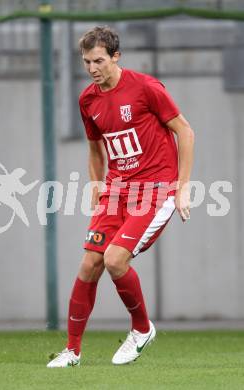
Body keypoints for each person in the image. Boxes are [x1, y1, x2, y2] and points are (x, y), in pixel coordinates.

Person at [47, 26, 194, 368]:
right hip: (117, 189)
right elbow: (96, 148)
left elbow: (185, 131)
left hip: (155, 189)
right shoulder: (88, 100)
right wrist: (96, 184)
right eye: (86, 62)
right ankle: (72, 351)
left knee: (114, 260)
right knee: (89, 265)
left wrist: (183, 186)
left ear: (116, 56)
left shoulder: (146, 88)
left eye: (99, 60)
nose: (92, 68)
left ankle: (142, 330)